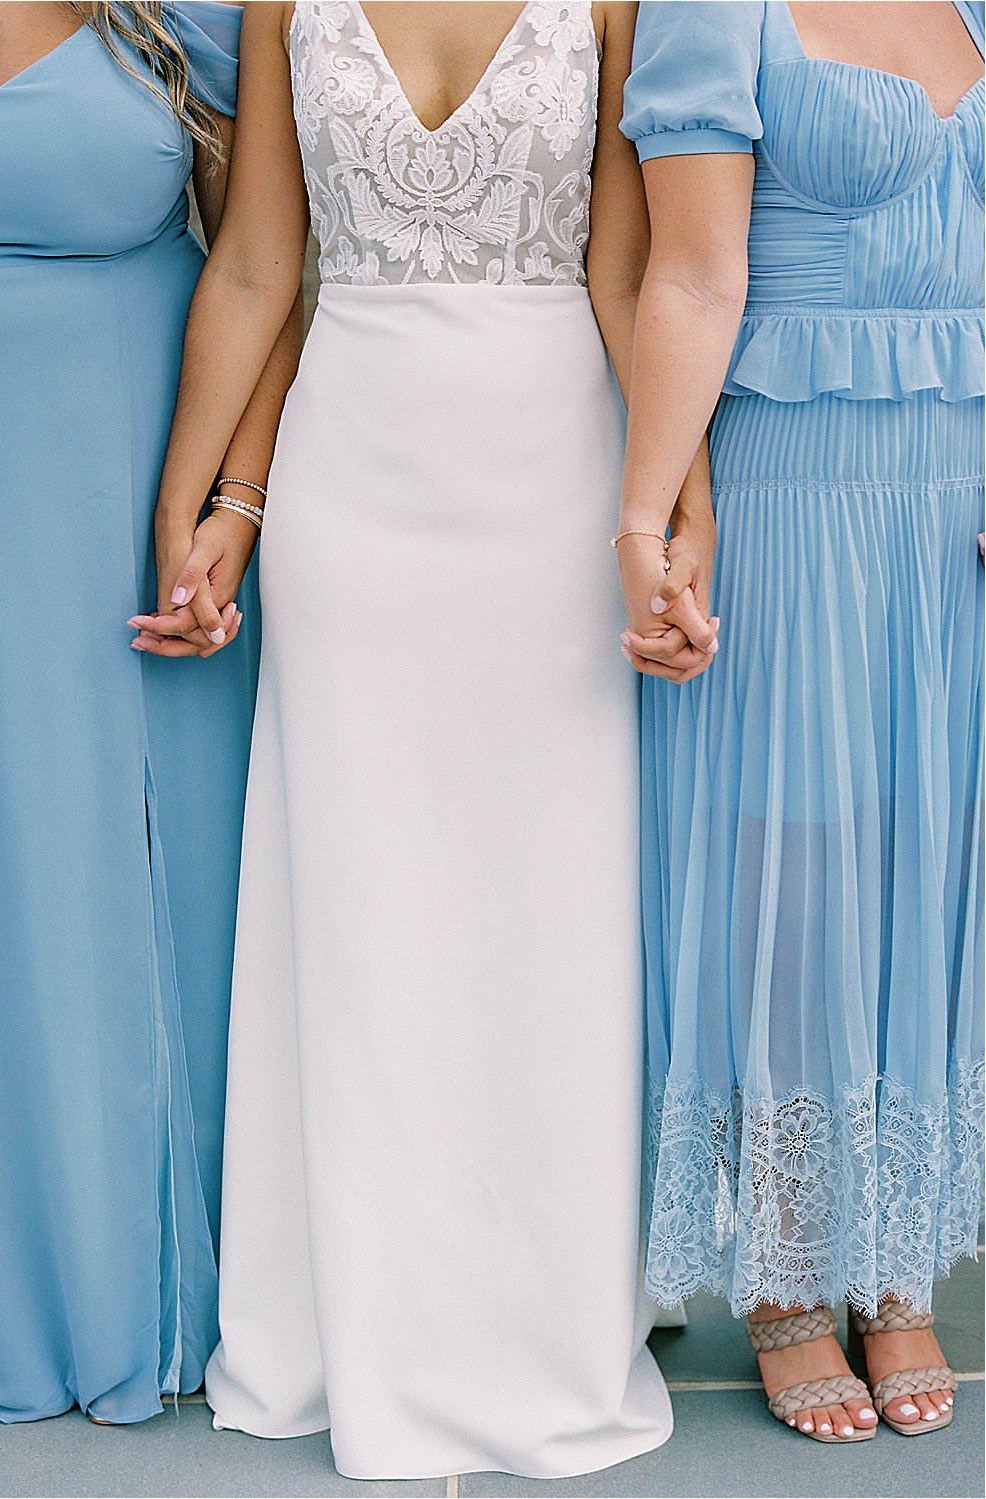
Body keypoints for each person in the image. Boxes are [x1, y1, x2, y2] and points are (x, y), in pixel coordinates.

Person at [134, 0, 719, 1479]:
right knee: (361, 900)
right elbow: (266, 262)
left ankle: (537, 1316)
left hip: (550, 472)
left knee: (543, 909)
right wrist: (191, 508)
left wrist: (670, 504)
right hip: (352, 472)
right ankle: (354, 1315)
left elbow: (622, 269)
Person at [0, 0, 300, 1424]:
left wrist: (230, 501)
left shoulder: (190, 21)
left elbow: (272, 267)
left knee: (102, 889)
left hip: (126, 522)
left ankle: (131, 1273)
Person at [618, 0, 984, 1444]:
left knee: (928, 846)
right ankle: (781, 1276)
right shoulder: (718, 7)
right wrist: (644, 520)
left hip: (952, 487)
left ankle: (893, 1266)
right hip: (789, 473)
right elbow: (691, 274)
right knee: (796, 849)